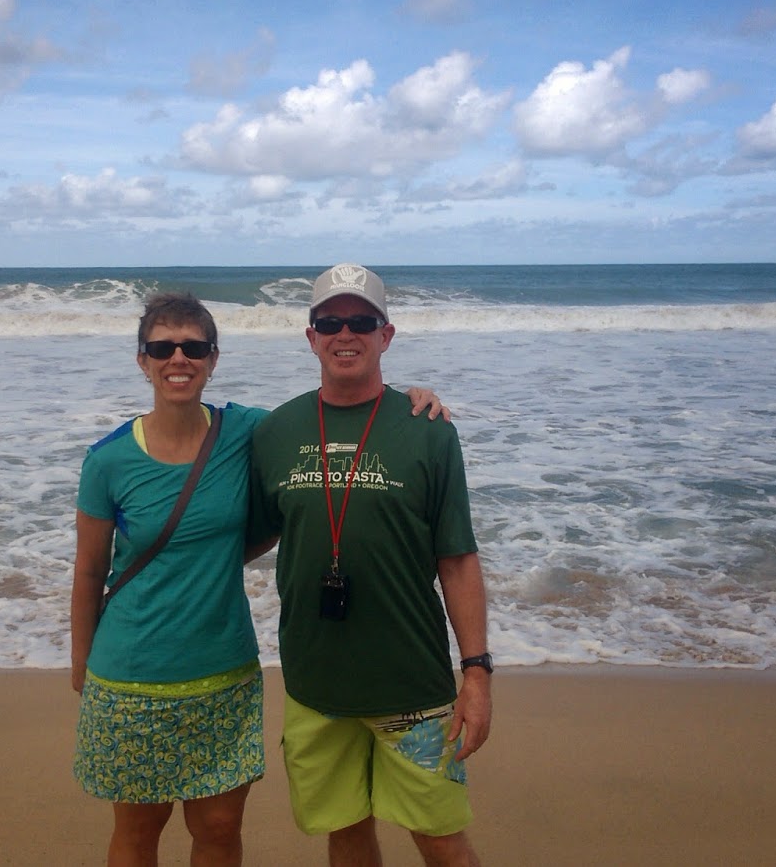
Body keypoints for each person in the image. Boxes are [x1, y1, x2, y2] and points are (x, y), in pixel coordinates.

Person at [70, 291, 449, 866]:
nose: (179, 359)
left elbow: (331, 415)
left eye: (194, 347)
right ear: (142, 360)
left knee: (219, 828)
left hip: (224, 670)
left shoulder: (247, 431)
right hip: (129, 673)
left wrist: (410, 400)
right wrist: (81, 665)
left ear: (213, 358)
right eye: (162, 348)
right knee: (139, 829)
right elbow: (89, 571)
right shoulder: (107, 461)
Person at [247, 264, 492, 867]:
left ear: (386, 335)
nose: (345, 333)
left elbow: (457, 558)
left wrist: (478, 673)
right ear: (311, 337)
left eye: (361, 321)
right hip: (314, 686)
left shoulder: (428, 429)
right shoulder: (276, 430)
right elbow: (243, 534)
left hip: (411, 684)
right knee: (346, 831)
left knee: (441, 839)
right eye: (330, 321)